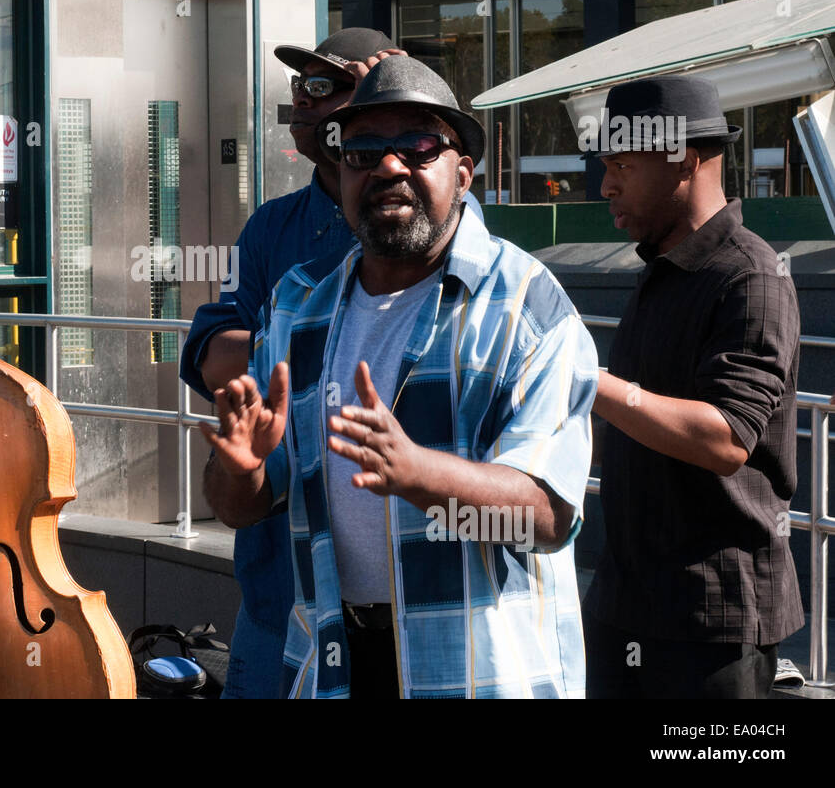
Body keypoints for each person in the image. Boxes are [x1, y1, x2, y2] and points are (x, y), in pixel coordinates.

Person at [202, 56, 597, 698]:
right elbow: (240, 508)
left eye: (417, 147)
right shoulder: (297, 307)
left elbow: (547, 517)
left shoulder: (528, 305)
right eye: (362, 152)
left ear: (463, 173)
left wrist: (415, 473)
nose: (388, 167)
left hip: (477, 675)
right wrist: (239, 470)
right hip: (332, 667)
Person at [181, 27, 401, 698]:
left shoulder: (416, 214)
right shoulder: (271, 227)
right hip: (277, 588)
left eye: (324, 84)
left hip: (393, 597)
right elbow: (211, 355)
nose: (303, 101)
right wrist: (306, 343)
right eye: (298, 86)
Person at [582, 75, 803, 698]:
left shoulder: (752, 276)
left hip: (710, 626)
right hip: (626, 606)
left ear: (682, 156)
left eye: (622, 164)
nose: (606, 186)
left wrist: (593, 384)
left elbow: (727, 438)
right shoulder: (663, 269)